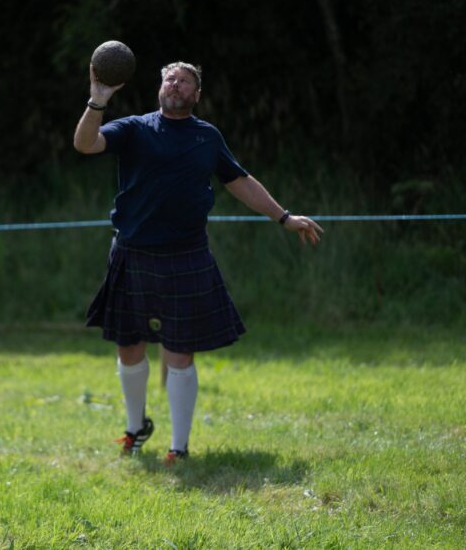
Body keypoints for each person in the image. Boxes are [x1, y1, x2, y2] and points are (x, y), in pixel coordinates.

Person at [73, 61, 323, 464]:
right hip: (132, 251)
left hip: (184, 255)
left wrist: (284, 217)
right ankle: (136, 429)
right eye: (169, 78)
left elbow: (239, 181)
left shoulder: (207, 137)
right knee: (128, 345)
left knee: (180, 350)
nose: (175, 84)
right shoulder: (135, 128)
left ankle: (179, 448)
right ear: (160, 87)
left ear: (196, 94)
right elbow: (85, 144)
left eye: (184, 80)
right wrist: (97, 101)